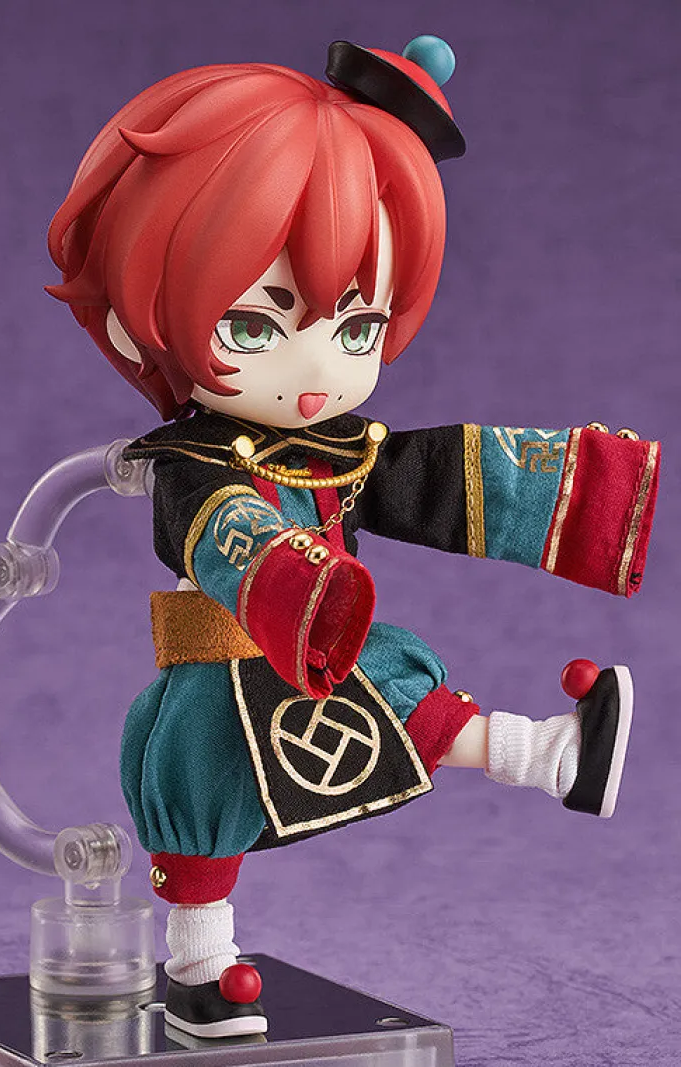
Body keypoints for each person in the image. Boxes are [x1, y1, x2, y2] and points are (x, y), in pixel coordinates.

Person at [46, 38, 660, 1038]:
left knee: (412, 704)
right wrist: (292, 583)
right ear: (133, 322)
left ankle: (556, 756)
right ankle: (200, 969)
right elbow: (227, 528)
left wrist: (585, 490)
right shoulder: (192, 462)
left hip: (323, 646)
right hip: (225, 661)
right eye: (256, 326)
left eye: (356, 326)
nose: (316, 368)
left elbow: (444, 477)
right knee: (198, 816)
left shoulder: (337, 445)